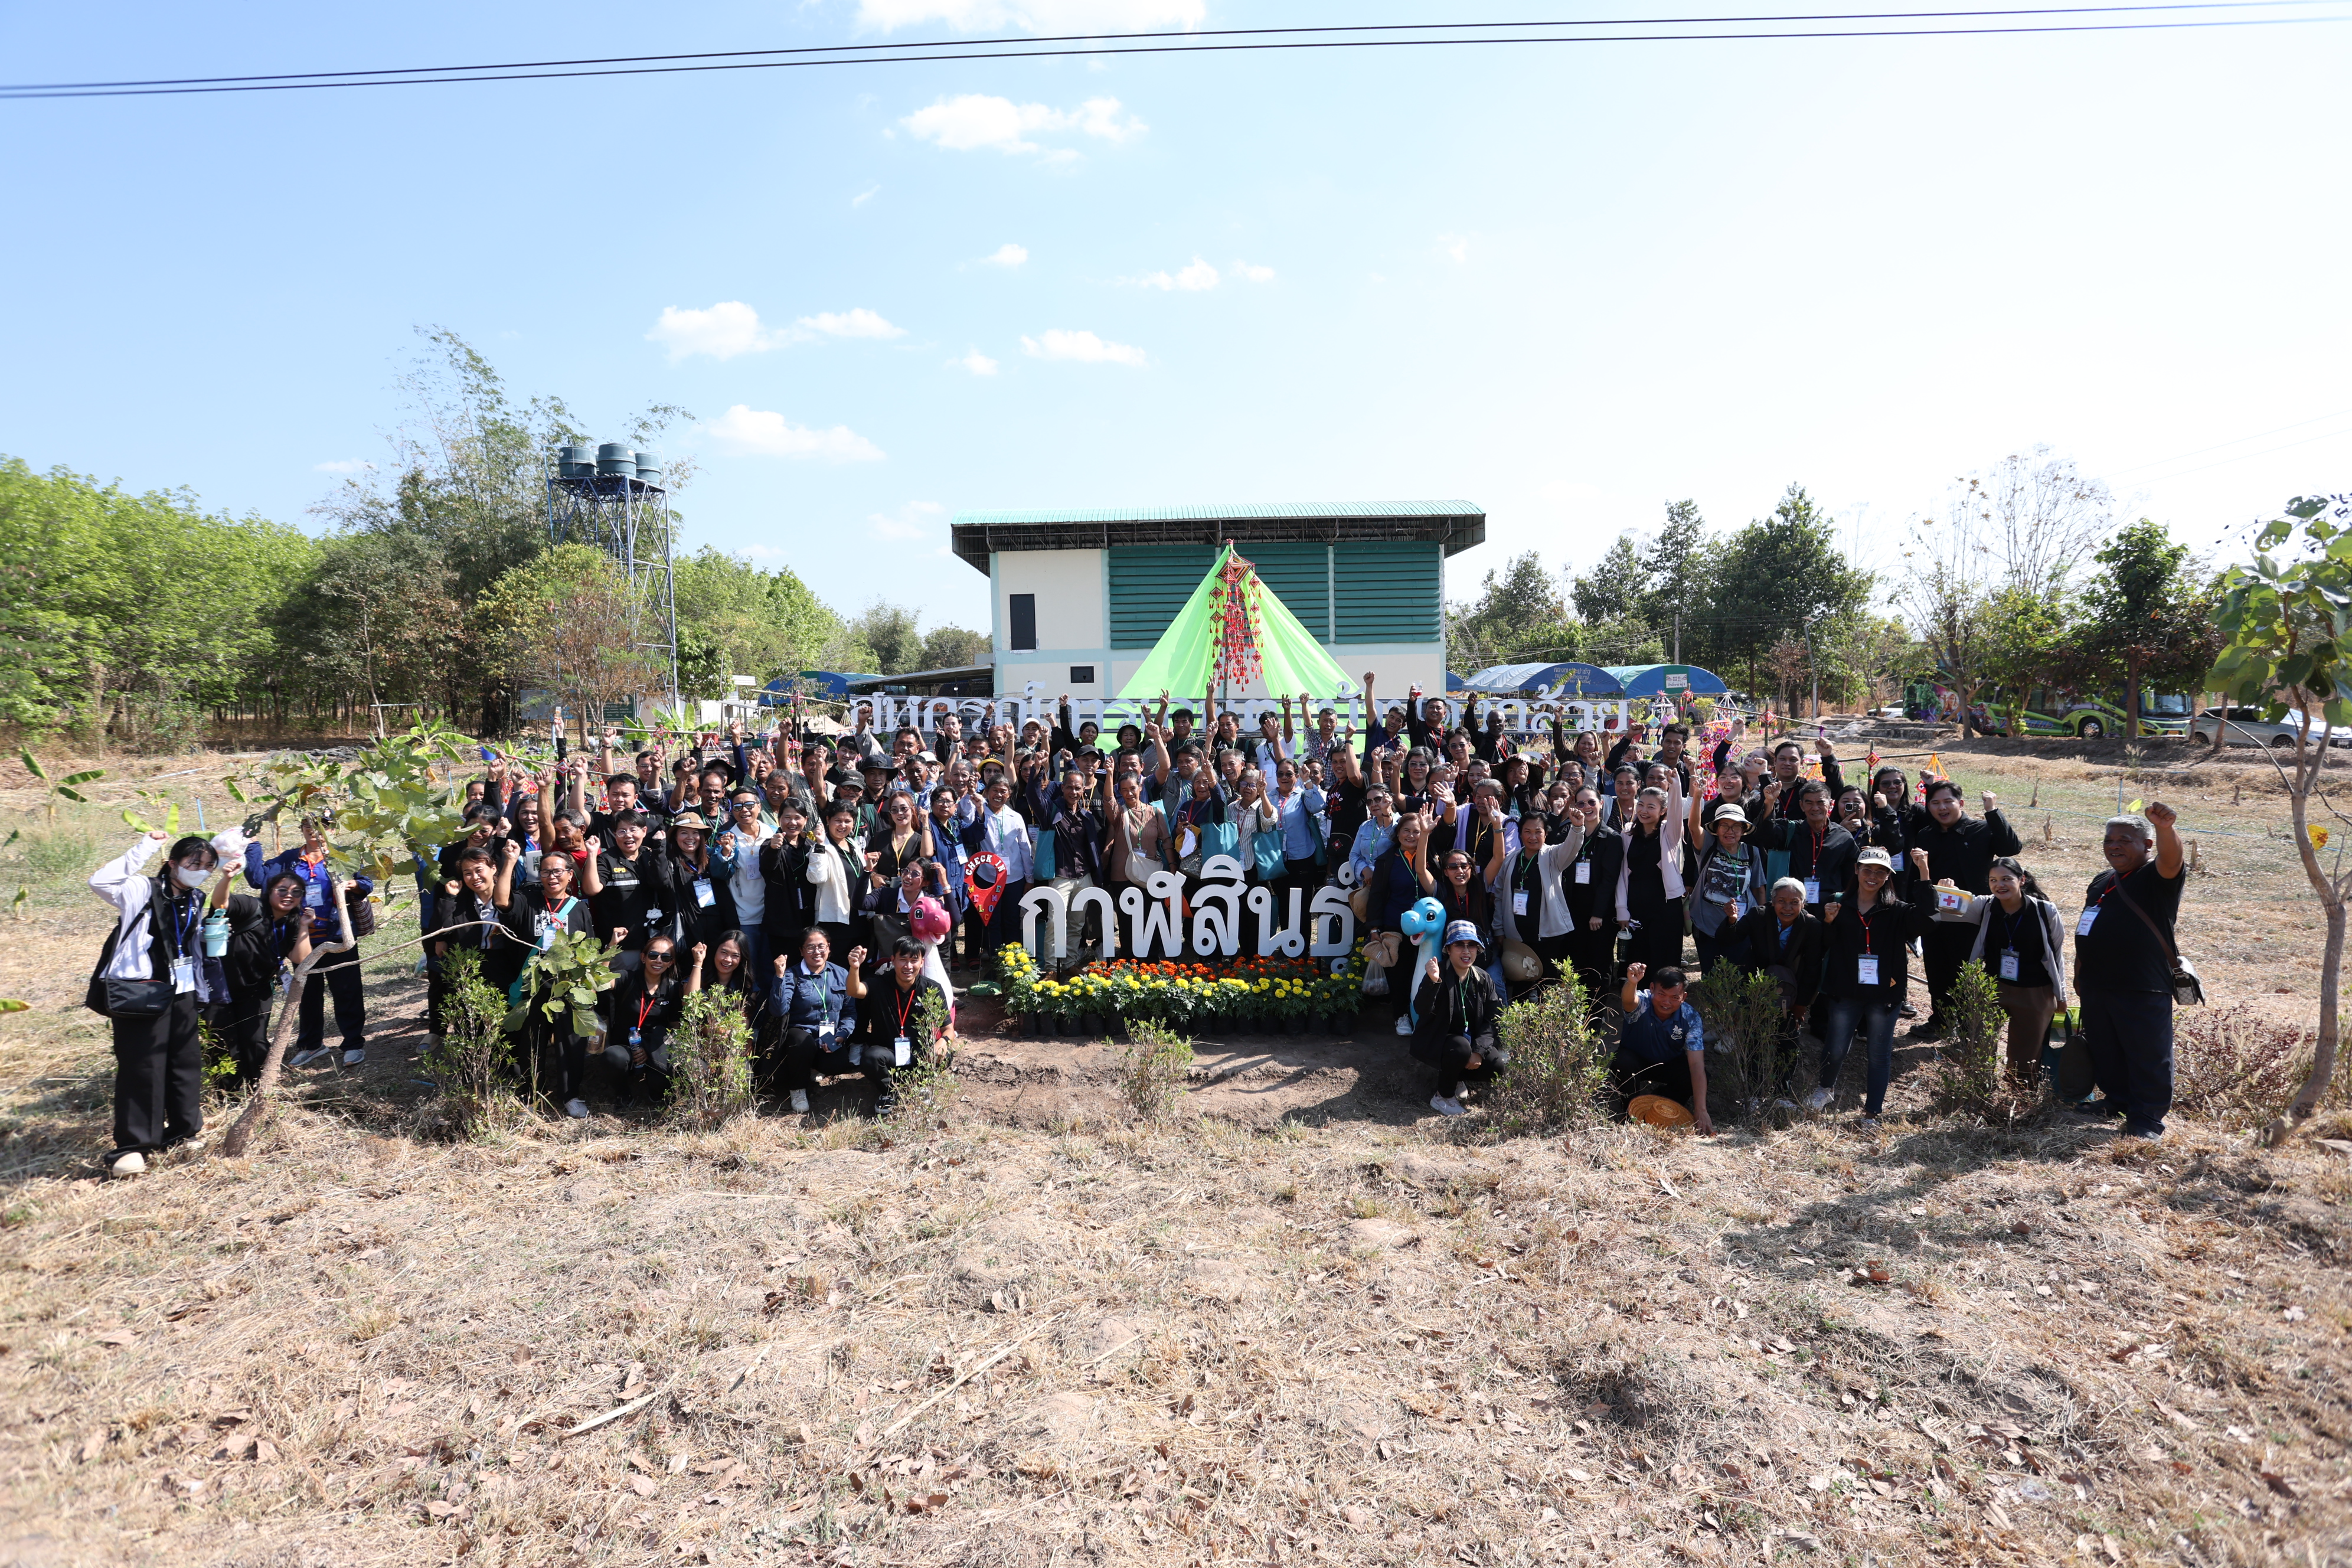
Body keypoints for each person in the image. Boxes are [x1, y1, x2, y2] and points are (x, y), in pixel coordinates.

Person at [90, 831, 228, 1176]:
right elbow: (100, 881)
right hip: (142, 991)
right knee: (142, 1066)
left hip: (182, 991)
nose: (200, 871)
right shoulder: (139, 890)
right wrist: (146, 845)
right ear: (172, 863)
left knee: (185, 1062)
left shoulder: (195, 898)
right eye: (193, 863)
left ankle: (184, 1132)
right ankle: (134, 1146)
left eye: (207, 866)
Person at [2072, 803, 2186, 1139]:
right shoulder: (2102, 880)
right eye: (2109, 840)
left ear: (2146, 845)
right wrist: (2080, 972)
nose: (2114, 846)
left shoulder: (2156, 877)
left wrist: (2165, 829)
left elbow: (2172, 861)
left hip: (2141, 984)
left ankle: (2146, 1119)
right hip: (2097, 983)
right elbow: (2086, 925)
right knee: (2106, 1048)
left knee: (2148, 1053)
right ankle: (2117, 1099)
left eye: (2125, 839)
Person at [1809, 847, 1932, 1126]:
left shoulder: (1898, 911)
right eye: (1867, 869)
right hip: (1846, 989)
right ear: (1856, 870)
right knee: (1836, 1046)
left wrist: (1923, 871)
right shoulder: (1838, 904)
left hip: (1884, 993)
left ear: (1889, 876)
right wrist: (1828, 921)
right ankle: (1825, 1089)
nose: (1872, 876)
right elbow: (1824, 943)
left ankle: (1873, 1111)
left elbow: (1927, 920)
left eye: (1880, 872)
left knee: (1879, 1053)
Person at [1930, 855, 2069, 1091]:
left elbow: (2056, 955)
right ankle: (1980, 1091)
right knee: (1980, 1043)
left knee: (2026, 1054)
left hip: (2035, 990)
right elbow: (1944, 910)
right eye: (1993, 880)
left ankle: (2020, 1098)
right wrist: (1943, 892)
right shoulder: (1985, 906)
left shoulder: (2045, 911)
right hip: (1992, 988)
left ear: (2022, 880)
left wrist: (2061, 994)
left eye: (2007, 879)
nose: (1999, 885)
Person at [246, 818, 374, 1067]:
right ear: (301, 828)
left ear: (334, 828)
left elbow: (367, 882)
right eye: (307, 823)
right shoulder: (289, 860)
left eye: (323, 823)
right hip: (302, 938)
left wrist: (355, 884)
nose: (314, 828)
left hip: (338, 936)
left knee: (347, 991)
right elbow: (257, 879)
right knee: (306, 994)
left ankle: (352, 1044)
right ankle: (311, 1045)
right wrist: (253, 847)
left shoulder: (343, 856)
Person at [1902, 780, 2022, 1040]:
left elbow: (2011, 849)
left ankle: (1971, 1029)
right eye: (1935, 803)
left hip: (1974, 916)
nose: (1942, 808)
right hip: (1937, 915)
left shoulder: (1981, 830)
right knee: (1937, 968)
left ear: (1961, 804)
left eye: (1948, 802)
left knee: (1970, 970)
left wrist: (1992, 811)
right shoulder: (1926, 835)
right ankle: (1941, 1021)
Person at [211, 868, 313, 1089]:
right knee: (223, 1042)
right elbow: (220, 904)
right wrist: (228, 878)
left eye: (297, 893)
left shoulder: (293, 923)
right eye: (283, 890)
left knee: (255, 1041)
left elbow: (301, 958)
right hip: (220, 989)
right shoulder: (250, 907)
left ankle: (259, 1090)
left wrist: (305, 927)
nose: (289, 896)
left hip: (257, 990)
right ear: (269, 891)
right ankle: (229, 1093)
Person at [1729, 878, 1826, 1105]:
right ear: (1772, 901)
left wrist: (1802, 1004)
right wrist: (1732, 921)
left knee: (1787, 1042)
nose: (1788, 907)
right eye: (1781, 901)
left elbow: (1813, 969)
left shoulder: (1812, 926)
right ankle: (1753, 1094)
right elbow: (1729, 938)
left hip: (1792, 995)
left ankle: (1783, 1094)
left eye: (1795, 902)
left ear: (1804, 903)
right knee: (1754, 1041)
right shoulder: (1758, 915)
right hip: (1757, 990)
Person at [1413, 920, 1502, 1118]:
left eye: (1471, 945)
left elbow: (1492, 1019)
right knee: (1460, 1047)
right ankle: (1443, 1097)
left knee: (1497, 1064)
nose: (1466, 951)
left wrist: (1479, 1052)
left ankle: (1456, 1076)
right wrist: (1433, 982)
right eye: (1459, 945)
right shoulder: (1438, 974)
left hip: (1468, 1044)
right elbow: (1421, 1009)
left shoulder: (1484, 978)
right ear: (1448, 949)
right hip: (1439, 1042)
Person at [1612, 963, 1713, 1135]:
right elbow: (1629, 1001)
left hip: (1667, 1063)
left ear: (1684, 997)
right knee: (1622, 1062)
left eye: (1675, 997)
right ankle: (1631, 1111)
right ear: (1652, 989)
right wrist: (1632, 983)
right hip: (1635, 1061)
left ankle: (1663, 1101)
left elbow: (1696, 1064)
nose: (1667, 1002)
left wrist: (1701, 1110)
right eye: (1661, 994)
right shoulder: (1642, 1002)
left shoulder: (1691, 1017)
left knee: (1697, 1073)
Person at [773, 926, 859, 1115]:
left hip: (828, 1036)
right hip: (801, 1035)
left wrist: (842, 1036)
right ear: (801, 951)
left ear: (829, 947)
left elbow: (849, 1012)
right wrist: (779, 977)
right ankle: (797, 1089)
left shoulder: (841, 974)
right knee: (801, 1042)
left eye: (821, 946)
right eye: (810, 947)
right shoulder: (791, 975)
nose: (817, 952)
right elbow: (779, 1010)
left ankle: (811, 1068)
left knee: (838, 1063)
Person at [865, 935, 951, 1117]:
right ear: (893, 960)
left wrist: (942, 1042)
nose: (908, 966)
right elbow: (854, 991)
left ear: (922, 962)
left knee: (947, 1054)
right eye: (903, 960)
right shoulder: (880, 984)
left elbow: (948, 1029)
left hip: (920, 1056)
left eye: (914, 960)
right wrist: (855, 967)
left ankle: (920, 1085)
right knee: (871, 1057)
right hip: (889, 1055)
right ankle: (889, 1092)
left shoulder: (931, 989)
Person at [1686, 801, 1767, 976]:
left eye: (1736, 827)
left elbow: (1759, 889)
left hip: (1741, 923)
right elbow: (1693, 827)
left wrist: (1761, 921)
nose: (1730, 831)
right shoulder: (1709, 845)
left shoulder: (1752, 852)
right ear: (1716, 828)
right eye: (1724, 825)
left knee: (1741, 973)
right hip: (1708, 923)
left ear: (1744, 830)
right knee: (1712, 974)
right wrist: (1698, 794)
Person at [602, 933, 684, 1105]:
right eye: (653, 955)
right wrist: (612, 945)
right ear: (643, 957)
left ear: (671, 963)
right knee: (613, 1057)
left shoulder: (673, 988)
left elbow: (676, 1025)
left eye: (666, 957)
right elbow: (598, 981)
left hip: (655, 1050)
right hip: (626, 1047)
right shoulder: (627, 978)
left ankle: (656, 1093)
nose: (659, 961)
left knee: (661, 1078)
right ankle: (624, 1094)